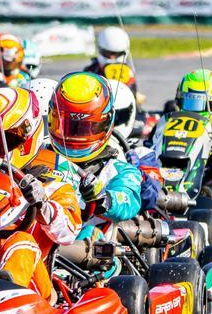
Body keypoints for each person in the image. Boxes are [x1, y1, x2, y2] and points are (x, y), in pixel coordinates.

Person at [0, 86, 81, 303]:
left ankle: (1, 297)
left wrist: (42, 205)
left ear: (26, 136)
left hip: (33, 283)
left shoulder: (53, 179)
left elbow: (69, 231)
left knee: (21, 242)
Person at [48, 73, 143, 226]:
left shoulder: (117, 169)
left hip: (88, 240)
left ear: (106, 123)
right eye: (68, 126)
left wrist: (103, 197)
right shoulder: (39, 157)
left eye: (86, 128)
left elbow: (128, 199)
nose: (76, 135)